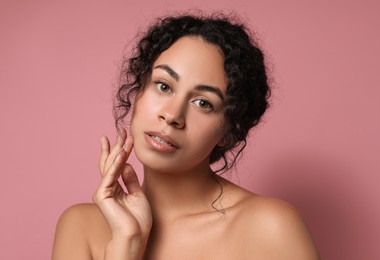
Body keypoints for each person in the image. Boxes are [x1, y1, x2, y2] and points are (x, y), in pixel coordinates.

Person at [52, 14, 320, 260]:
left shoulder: (271, 228)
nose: (172, 115)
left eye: (203, 103)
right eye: (163, 86)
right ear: (138, 91)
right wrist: (127, 242)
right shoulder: (81, 227)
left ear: (228, 131)